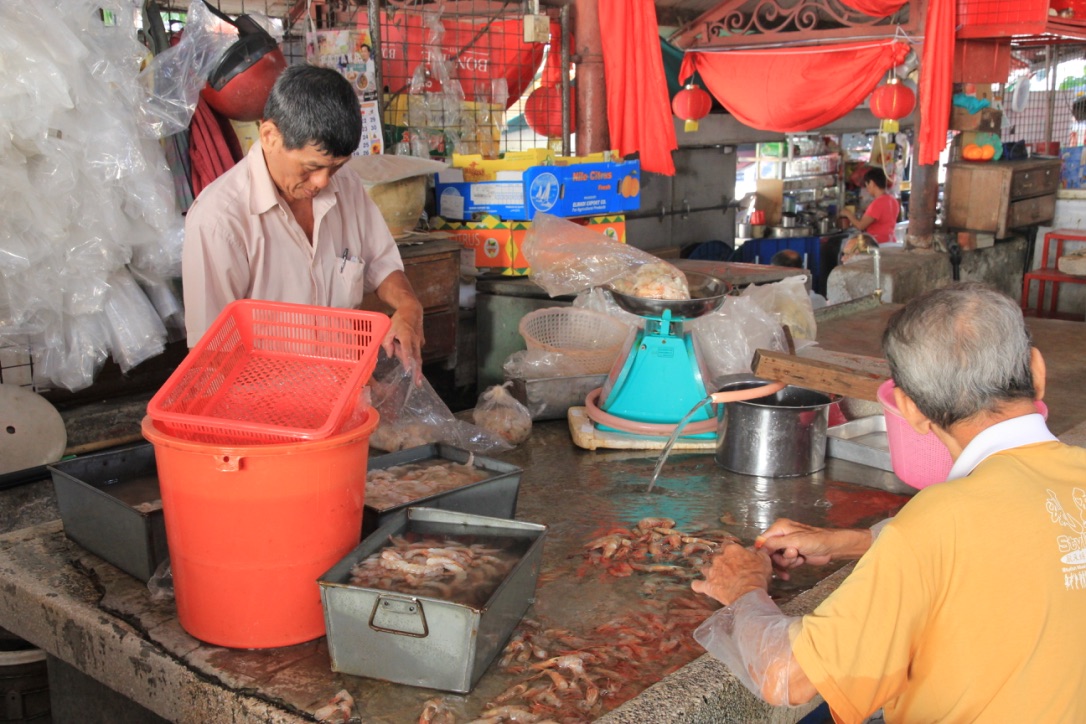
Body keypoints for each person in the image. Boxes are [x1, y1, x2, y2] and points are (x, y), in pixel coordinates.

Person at [690, 283, 1086, 722]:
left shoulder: (934, 524)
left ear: (908, 410)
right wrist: (855, 541)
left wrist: (743, 588)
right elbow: (1023, 538)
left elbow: (787, 678)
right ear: (1037, 371)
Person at [183, 64, 424, 377]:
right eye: (310, 167)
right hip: (266, 409)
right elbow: (211, 356)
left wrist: (408, 307)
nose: (323, 182)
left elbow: (380, 263)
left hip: (345, 393)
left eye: (335, 167)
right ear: (269, 136)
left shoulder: (346, 185)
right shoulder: (219, 220)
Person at [838, 167, 900, 245]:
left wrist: (848, 213)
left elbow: (860, 226)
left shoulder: (877, 203)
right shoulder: (893, 200)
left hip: (878, 243)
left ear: (872, 183)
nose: (867, 188)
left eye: (867, 185)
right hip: (890, 242)